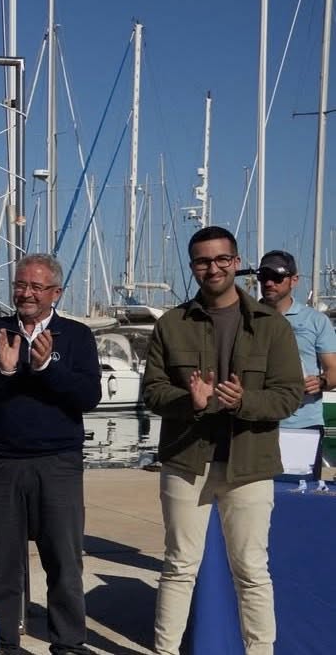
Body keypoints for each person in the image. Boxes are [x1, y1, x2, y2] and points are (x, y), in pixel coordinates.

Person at [141, 226, 303, 655]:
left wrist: (244, 401)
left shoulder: (272, 326)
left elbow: (289, 395)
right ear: (192, 266)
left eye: (221, 259)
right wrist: (189, 401)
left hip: (249, 464)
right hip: (186, 461)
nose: (212, 268)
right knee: (179, 566)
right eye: (202, 261)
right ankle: (164, 651)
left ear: (236, 262)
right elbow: (152, 392)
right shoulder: (171, 325)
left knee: (251, 570)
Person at [0, 253, 100, 655]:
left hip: (59, 463)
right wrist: (4, 372)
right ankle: (4, 642)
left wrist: (46, 368)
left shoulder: (76, 335)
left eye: (36, 287)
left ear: (56, 293)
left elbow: (88, 396)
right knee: (3, 560)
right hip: (4, 462)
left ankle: (68, 643)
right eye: (20, 285)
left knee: (64, 560)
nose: (26, 293)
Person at [257, 249, 336, 477]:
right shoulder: (245, 319)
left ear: (294, 280)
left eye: (277, 277)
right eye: (264, 276)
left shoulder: (316, 321)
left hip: (302, 426)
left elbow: (333, 370)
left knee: (300, 493)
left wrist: (321, 382)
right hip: (255, 425)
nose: (269, 283)